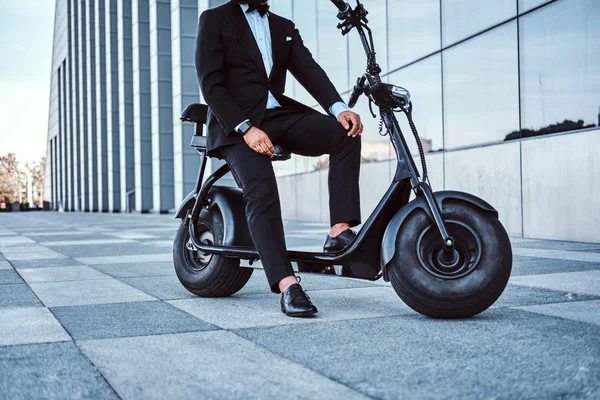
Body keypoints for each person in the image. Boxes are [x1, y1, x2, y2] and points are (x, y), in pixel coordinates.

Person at [195, 0, 363, 317]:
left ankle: (339, 230)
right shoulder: (215, 19)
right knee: (262, 192)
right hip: (236, 125)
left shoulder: (283, 27)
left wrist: (340, 109)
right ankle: (288, 285)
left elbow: (310, 71)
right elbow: (211, 84)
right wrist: (246, 128)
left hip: (279, 116)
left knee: (344, 133)